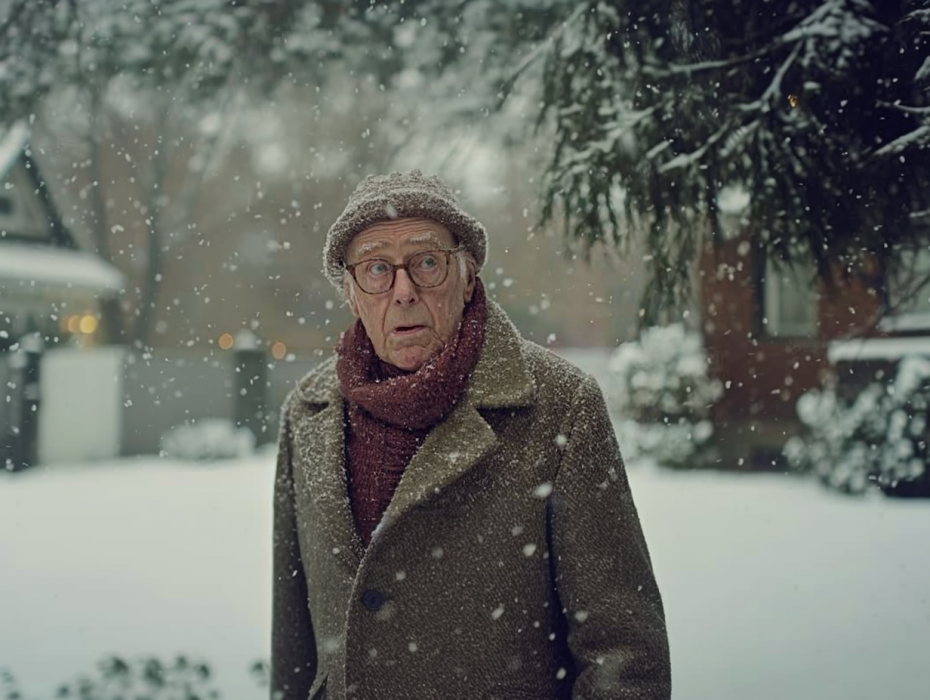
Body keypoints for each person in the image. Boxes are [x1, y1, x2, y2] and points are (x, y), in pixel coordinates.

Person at [271, 170, 671, 700]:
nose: (403, 291)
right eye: (376, 269)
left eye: (427, 262)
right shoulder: (308, 412)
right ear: (350, 291)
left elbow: (623, 652)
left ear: (467, 274)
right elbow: (295, 647)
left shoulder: (560, 406)